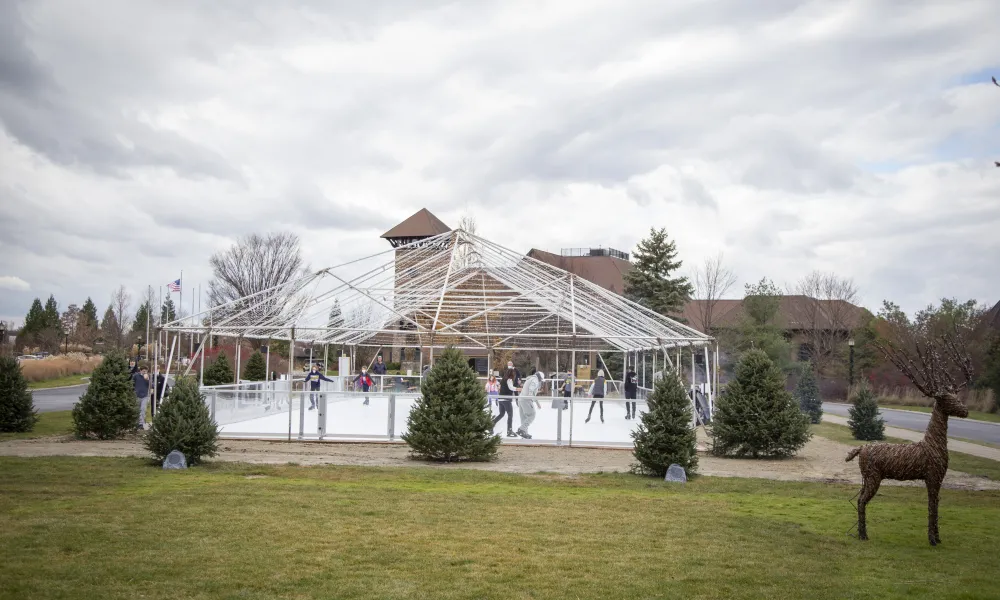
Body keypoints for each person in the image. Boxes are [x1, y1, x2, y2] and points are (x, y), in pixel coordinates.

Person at [493, 362, 519, 437]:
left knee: (501, 414)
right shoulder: (509, 380)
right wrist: (519, 389)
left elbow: (500, 388)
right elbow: (511, 388)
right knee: (510, 415)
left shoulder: (503, 379)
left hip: (501, 399)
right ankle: (509, 431)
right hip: (506, 399)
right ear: (512, 374)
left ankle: (491, 424)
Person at [516, 370, 543, 439]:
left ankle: (524, 433)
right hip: (526, 399)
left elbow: (531, 391)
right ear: (540, 378)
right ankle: (522, 429)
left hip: (521, 399)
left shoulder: (530, 378)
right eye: (541, 380)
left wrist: (537, 403)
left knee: (524, 417)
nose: (541, 381)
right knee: (532, 414)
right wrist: (530, 397)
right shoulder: (535, 380)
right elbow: (531, 389)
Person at [132, 366, 150, 431]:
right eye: (143, 370)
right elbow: (132, 383)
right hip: (136, 395)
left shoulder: (148, 377)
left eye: (146, 371)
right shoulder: (136, 376)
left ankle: (141, 424)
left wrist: (147, 379)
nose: (144, 372)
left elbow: (152, 385)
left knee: (143, 409)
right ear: (141, 370)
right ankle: (135, 423)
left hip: (145, 396)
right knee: (136, 409)